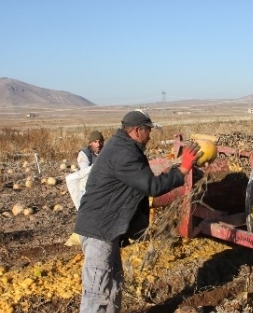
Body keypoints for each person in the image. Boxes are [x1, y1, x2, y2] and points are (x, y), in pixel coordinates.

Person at [73, 109, 202, 313]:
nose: (150, 135)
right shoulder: (124, 153)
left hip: (107, 229)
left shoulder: (123, 147)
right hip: (100, 230)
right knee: (97, 292)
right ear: (137, 130)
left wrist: (170, 172)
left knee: (113, 285)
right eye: (148, 130)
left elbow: (141, 180)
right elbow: (151, 186)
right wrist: (183, 169)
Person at [66, 130, 105, 210]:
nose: (98, 145)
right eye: (95, 142)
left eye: (100, 142)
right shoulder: (84, 154)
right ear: (90, 143)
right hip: (89, 182)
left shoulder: (106, 151)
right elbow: (85, 172)